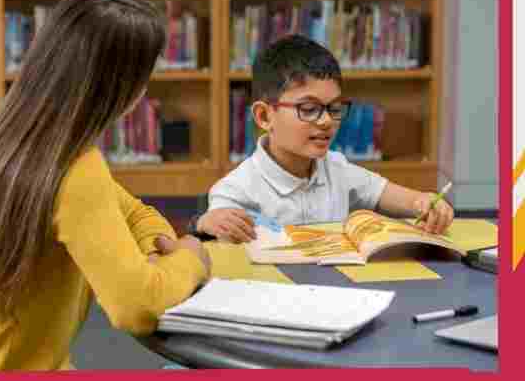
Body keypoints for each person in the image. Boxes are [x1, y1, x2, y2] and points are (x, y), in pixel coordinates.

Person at [0, 0, 210, 374]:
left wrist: (155, 247)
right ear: (125, 88)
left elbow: (132, 210)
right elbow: (138, 308)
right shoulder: (75, 169)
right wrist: (191, 257)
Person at [195, 34, 455, 242]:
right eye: (308, 109)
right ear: (264, 116)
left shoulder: (337, 169)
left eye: (334, 108)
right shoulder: (236, 189)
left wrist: (427, 203)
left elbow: (404, 198)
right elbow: (212, 225)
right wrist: (208, 222)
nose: (327, 121)